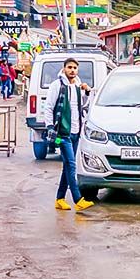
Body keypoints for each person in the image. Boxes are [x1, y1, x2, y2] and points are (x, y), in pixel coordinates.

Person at [41, 58, 95, 212]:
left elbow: (84, 106)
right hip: (61, 133)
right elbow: (49, 108)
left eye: (75, 68)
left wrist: (86, 91)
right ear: (64, 68)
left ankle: (60, 199)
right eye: (69, 67)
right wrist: (50, 126)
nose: (72, 70)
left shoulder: (78, 85)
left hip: (75, 132)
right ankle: (78, 199)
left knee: (67, 165)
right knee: (71, 164)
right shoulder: (56, 85)